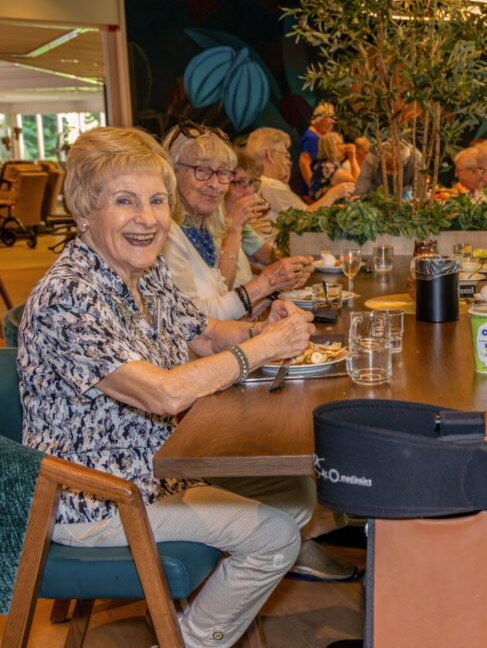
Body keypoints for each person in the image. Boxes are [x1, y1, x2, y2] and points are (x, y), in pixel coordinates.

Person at [18, 126, 318, 647]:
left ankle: (192, 624)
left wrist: (264, 329)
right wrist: (263, 349)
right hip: (91, 501)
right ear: (85, 212)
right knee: (275, 535)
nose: (148, 218)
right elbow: (163, 394)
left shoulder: (143, 270)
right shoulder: (68, 297)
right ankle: (190, 640)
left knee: (296, 494)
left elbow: (203, 334)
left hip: (154, 474)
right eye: (125, 202)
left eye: (157, 200)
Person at [161, 123, 315, 320]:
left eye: (223, 173)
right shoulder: (167, 235)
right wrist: (269, 282)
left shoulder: (205, 231)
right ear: (172, 173)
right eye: (202, 170)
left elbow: (224, 307)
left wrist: (275, 287)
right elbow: (195, 324)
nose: (215, 184)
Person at [245, 127, 354, 241]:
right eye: (285, 155)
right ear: (270, 155)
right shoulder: (270, 185)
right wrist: (334, 194)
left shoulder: (257, 182)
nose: (287, 161)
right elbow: (306, 218)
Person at [353, 139, 423, 197]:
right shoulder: (372, 158)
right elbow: (360, 192)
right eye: (389, 166)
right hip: (375, 198)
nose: (392, 173)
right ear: (381, 159)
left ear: (405, 160)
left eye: (397, 166)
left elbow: (421, 196)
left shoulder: (417, 160)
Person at [298, 102, 335, 197]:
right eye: (329, 118)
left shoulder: (319, 136)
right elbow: (304, 164)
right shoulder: (311, 138)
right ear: (319, 119)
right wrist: (314, 190)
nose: (332, 122)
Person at [309, 131, 358, 200]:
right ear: (332, 147)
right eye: (341, 144)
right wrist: (352, 158)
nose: (345, 147)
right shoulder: (329, 167)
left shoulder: (324, 164)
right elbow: (358, 183)